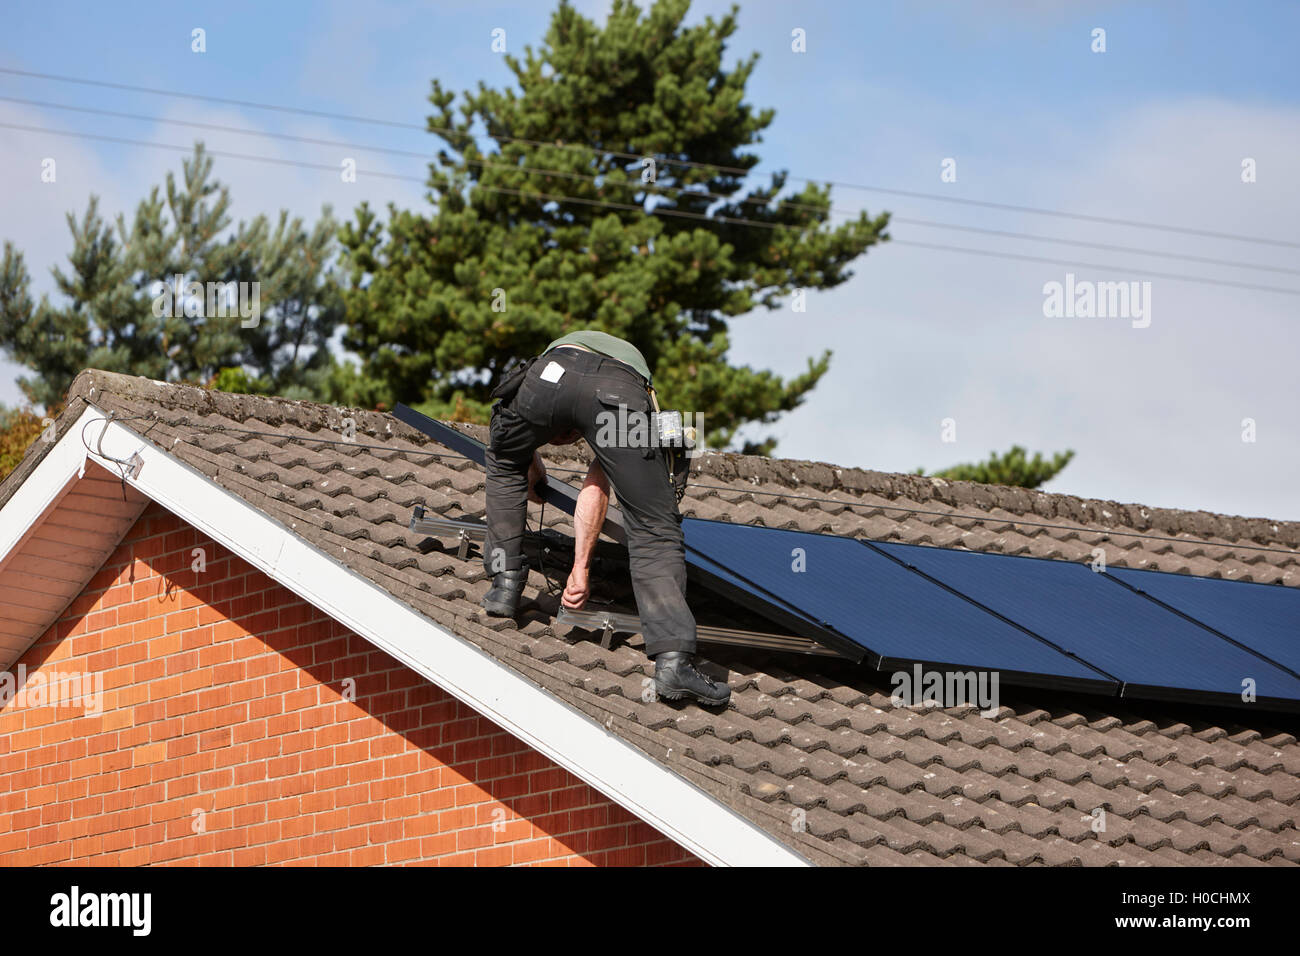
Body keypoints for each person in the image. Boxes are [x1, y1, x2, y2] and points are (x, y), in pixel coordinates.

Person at [481, 329, 730, 707]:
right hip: (616, 394)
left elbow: (508, 445)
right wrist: (580, 570)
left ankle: (505, 583)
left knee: (502, 457)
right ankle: (673, 664)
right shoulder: (623, 405)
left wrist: (526, 457)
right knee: (654, 528)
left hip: (550, 376)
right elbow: (599, 486)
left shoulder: (554, 363)